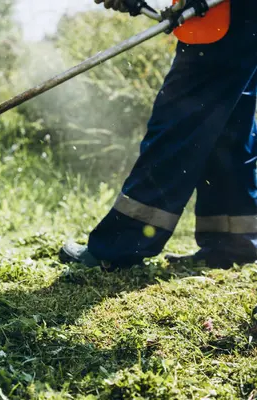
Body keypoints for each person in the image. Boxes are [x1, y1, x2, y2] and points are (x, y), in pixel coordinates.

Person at [59, 0, 257, 270]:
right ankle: (233, 241)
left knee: (177, 124)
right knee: (228, 126)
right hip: (240, 18)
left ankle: (119, 246)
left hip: (223, 16)